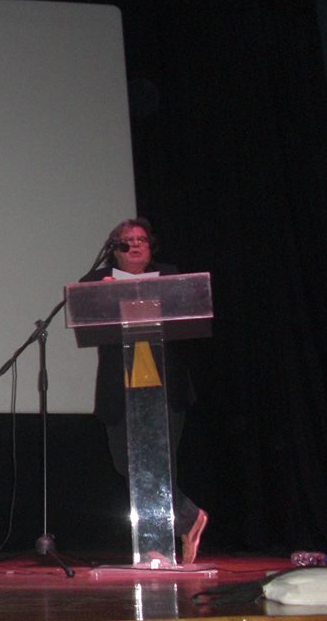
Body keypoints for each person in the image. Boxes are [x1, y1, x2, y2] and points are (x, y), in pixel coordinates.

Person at [79, 217, 208, 565]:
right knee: (125, 462)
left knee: (160, 464)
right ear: (115, 249)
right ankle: (187, 517)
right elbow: (83, 303)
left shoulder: (169, 278)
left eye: (141, 240)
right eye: (127, 241)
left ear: (150, 248)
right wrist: (104, 292)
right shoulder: (98, 281)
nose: (135, 245)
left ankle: (157, 546)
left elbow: (186, 311)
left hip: (164, 386)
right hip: (120, 388)